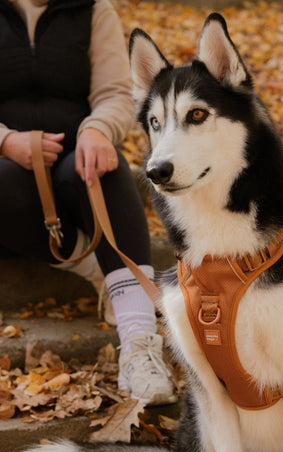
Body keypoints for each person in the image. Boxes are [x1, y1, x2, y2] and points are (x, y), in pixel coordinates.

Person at [0, 0, 176, 406]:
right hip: (5, 168)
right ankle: (96, 266)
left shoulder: (94, 10)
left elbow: (115, 93)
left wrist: (97, 131)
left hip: (72, 163)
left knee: (107, 168)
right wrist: (8, 142)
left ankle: (139, 347)